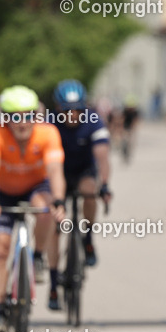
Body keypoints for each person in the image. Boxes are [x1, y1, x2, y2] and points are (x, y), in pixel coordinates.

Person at [0, 86, 66, 327]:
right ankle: (0, 310)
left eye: (29, 116)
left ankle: (37, 256)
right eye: (15, 117)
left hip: (35, 186)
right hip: (3, 191)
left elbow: (55, 171)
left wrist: (58, 198)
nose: (23, 123)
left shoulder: (47, 133)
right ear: (5, 119)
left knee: (46, 209)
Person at [53, 79, 112, 266]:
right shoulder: (51, 122)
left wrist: (104, 184)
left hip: (84, 170)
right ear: (58, 108)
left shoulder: (93, 120)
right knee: (53, 211)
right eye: (67, 110)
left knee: (89, 191)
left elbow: (102, 157)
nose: (72, 115)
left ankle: (88, 238)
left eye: (77, 109)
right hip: (58, 171)